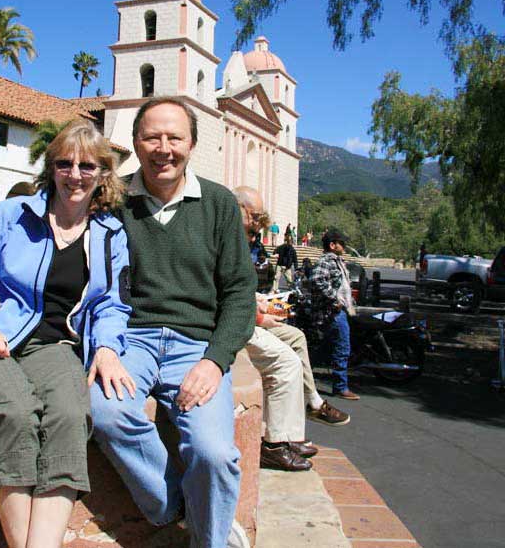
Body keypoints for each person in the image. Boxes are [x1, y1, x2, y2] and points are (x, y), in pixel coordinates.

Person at [0, 119, 135, 548]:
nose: (75, 174)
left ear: (103, 174)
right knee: (14, 412)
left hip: (55, 345)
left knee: (69, 414)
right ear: (51, 169)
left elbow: (111, 304)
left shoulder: (110, 234)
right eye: (64, 163)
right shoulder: (14, 215)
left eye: (87, 166)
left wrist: (105, 347)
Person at [90, 99, 254, 548]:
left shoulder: (218, 204)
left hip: (195, 347)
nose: (164, 148)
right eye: (152, 137)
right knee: (105, 413)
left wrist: (216, 361)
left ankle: (210, 540)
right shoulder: (113, 200)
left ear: (192, 145)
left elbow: (240, 294)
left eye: (175, 138)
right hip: (131, 340)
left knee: (214, 453)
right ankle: (176, 506)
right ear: (136, 143)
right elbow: (76, 260)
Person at [235, 187, 349, 473]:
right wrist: (261, 318)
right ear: (239, 209)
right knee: (286, 362)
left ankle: (304, 414)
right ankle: (275, 444)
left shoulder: (239, 242)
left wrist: (262, 303)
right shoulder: (225, 239)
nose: (254, 236)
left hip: (247, 316)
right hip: (237, 326)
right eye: (254, 221)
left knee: (296, 337)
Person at [310, 229, 359, 400]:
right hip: (332, 312)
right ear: (332, 245)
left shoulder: (336, 261)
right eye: (342, 243)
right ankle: (340, 387)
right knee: (342, 348)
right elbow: (317, 279)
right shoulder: (327, 260)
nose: (344, 246)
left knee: (324, 349)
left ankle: (303, 377)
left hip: (336, 311)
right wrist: (335, 299)